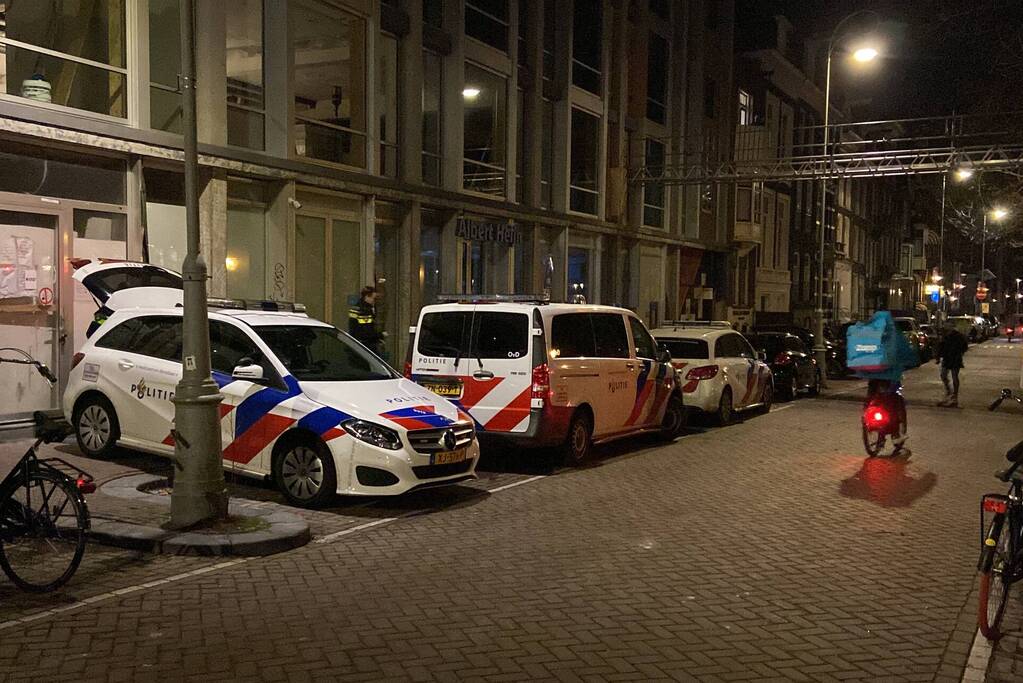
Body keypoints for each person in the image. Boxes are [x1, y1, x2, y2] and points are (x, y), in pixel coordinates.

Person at [854, 311, 920, 449]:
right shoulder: (895, 337)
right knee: (895, 402)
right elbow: (906, 353)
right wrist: (913, 361)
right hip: (890, 377)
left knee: (871, 398)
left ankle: (867, 419)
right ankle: (896, 434)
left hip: (873, 378)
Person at [935, 322, 969, 407]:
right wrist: (938, 357)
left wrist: (959, 352)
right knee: (943, 375)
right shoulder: (946, 336)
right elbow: (941, 346)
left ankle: (954, 396)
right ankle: (949, 392)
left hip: (955, 358)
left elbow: (964, 346)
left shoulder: (957, 336)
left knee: (954, 376)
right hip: (948, 358)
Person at [348, 286, 385, 354]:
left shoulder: (356, 307)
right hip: (365, 345)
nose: (374, 301)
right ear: (367, 296)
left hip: (356, 343)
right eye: (373, 298)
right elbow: (367, 331)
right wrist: (381, 335)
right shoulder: (365, 310)